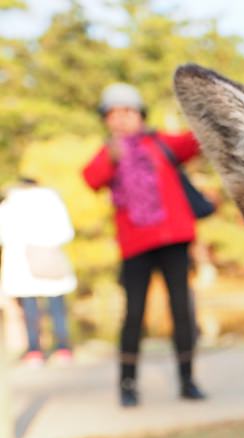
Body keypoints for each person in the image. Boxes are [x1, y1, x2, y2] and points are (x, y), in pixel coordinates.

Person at [83, 82, 206, 406]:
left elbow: (196, 142)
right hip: (135, 243)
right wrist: (111, 157)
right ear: (106, 119)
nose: (121, 119)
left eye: (128, 111)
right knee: (133, 313)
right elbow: (91, 178)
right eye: (114, 113)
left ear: (139, 114)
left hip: (173, 238)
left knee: (181, 309)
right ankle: (127, 384)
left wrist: (199, 107)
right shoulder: (108, 152)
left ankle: (187, 380)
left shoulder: (159, 142)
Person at [0, 177, 76, 364]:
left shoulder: (10, 204)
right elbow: (67, 232)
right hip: (50, 259)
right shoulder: (52, 201)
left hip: (21, 263)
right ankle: (63, 349)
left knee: (30, 309)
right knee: (57, 308)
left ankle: (34, 351)